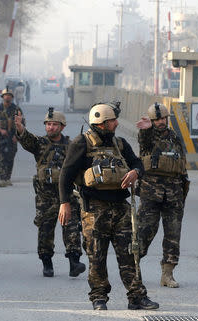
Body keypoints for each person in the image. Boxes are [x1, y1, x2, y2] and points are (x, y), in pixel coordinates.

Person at [58, 102, 159, 311]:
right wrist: (64, 203)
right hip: (94, 210)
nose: (116, 123)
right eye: (112, 120)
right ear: (102, 123)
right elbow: (65, 175)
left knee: (130, 254)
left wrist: (135, 173)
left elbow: (137, 163)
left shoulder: (120, 144)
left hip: (120, 208)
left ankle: (137, 297)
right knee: (96, 255)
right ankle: (99, 297)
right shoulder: (81, 144)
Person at [15, 107, 85, 278]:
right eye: (48, 124)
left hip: (67, 195)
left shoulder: (71, 146)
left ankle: (74, 262)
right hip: (45, 196)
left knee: (72, 228)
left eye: (54, 124)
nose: (51, 127)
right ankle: (47, 262)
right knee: (45, 230)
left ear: (62, 127)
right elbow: (27, 139)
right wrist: (20, 128)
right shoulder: (40, 144)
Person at [136, 103, 188, 288]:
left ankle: (167, 274)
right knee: (144, 232)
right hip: (151, 193)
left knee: (173, 236)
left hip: (173, 194)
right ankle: (133, 270)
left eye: (163, 119)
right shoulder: (148, 136)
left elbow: (181, 162)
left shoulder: (174, 137)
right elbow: (143, 142)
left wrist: (183, 191)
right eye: (156, 119)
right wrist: (146, 130)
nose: (160, 122)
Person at [0, 88, 23, 187]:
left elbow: (22, 124)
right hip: (0, 138)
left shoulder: (16, 109)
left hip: (12, 138)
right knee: (2, 158)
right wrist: (0, 130)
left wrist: (17, 136)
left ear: (12, 97)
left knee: (10, 158)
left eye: (9, 95)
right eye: (5, 95)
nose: (7, 97)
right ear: (3, 97)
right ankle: (2, 179)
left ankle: (8, 178)